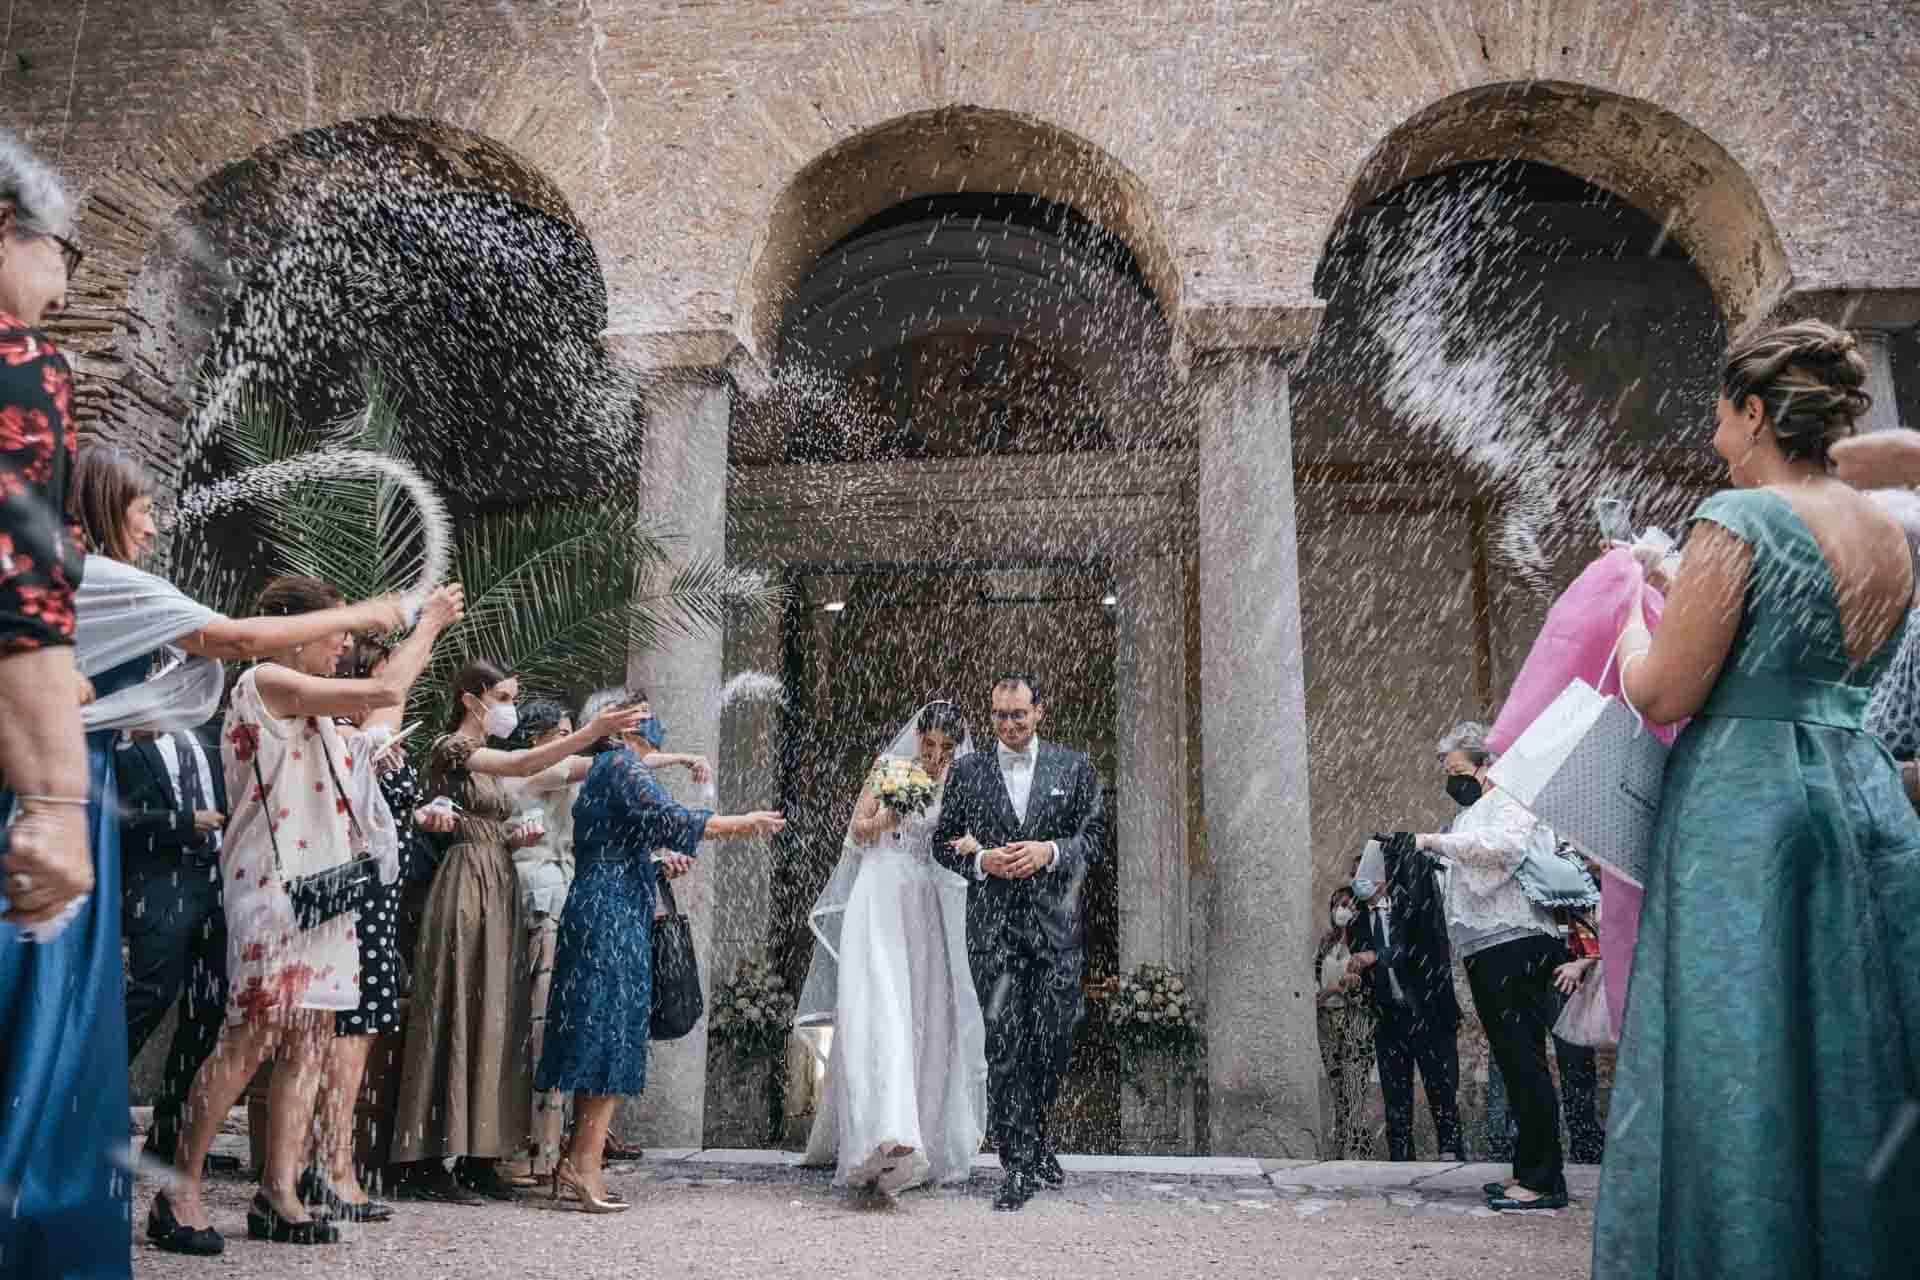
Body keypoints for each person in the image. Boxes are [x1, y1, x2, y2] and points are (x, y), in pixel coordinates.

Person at [1596, 320, 1920, 1279]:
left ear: (1754, 412)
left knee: (1738, 1051)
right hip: (1858, 788)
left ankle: (1742, 1250)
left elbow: (1665, 691)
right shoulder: (1887, 531)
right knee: (1851, 1047)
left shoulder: (1738, 517)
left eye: (1722, 416)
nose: (1713, 438)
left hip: (1747, 807)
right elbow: (1811, 639)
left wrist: (1628, 639)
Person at [156, 576, 462, 1253]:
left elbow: (382, 714)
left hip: (327, 892)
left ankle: (280, 1192)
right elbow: (382, 693)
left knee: (310, 1042)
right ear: (292, 629)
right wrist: (428, 626)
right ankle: (178, 1191)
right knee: (249, 1043)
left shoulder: (319, 713)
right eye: (337, 632)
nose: (346, 645)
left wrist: (425, 631)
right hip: (272, 893)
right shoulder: (263, 681)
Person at [388, 662, 650, 1204]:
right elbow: (527, 761)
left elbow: (520, 788)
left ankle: (482, 1154)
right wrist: (593, 731)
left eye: (512, 695)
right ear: (470, 699)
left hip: (500, 879)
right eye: (502, 696)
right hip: (463, 882)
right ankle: (430, 1159)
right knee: (456, 1006)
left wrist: (513, 831)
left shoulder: (492, 764)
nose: (509, 704)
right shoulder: (451, 748)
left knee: (498, 1017)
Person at [535, 686, 784, 1212]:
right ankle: (582, 1165)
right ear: (624, 727)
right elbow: (673, 820)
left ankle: (578, 1159)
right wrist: (745, 824)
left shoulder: (614, 765)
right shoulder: (623, 767)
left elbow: (622, 839)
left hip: (610, 900)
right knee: (608, 1032)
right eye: (645, 720)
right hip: (610, 912)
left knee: (606, 1030)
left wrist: (650, 864)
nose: (654, 730)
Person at [0, 128, 112, 1279]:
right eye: (59, 247)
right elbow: (21, 590)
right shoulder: (17, 364)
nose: (67, 279)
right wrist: (54, 798)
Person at [932, 673, 1106, 1212]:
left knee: (1051, 1042)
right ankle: (1018, 1163)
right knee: (1004, 1045)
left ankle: (1036, 1137)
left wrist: (1050, 852)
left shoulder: (1073, 767)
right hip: (993, 932)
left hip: (1056, 932)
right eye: (999, 716)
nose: (1008, 725)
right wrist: (982, 860)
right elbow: (941, 844)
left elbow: (1096, 837)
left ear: (1039, 713)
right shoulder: (966, 771)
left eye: (1018, 715)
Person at [299, 632, 457, 1224]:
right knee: (349, 1029)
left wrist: (421, 815)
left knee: (360, 1031)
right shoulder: (336, 734)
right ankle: (329, 1165)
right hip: (354, 897)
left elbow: (384, 811)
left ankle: (334, 1163)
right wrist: (432, 621)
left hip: (380, 897)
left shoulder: (371, 740)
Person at [798, 700, 987, 1194]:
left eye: (946, 748)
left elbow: (956, 842)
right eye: (929, 744)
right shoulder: (888, 768)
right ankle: (882, 1136)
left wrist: (972, 847)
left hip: (921, 902)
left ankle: (917, 1134)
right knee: (878, 1009)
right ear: (918, 737)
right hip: (878, 893)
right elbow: (857, 832)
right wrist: (889, 815)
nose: (936, 755)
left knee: (922, 1014)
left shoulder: (959, 783)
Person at [1397, 720, 1574, 1209]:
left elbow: (1505, 852)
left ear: (1485, 764)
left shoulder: (1513, 799)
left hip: (1515, 942)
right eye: (1447, 772)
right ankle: (1527, 1169)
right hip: (1485, 946)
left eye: (1458, 770)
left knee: (1524, 1059)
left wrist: (1436, 843)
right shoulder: (1473, 812)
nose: (1453, 780)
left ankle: (1543, 1181)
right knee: (1512, 1061)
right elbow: (1468, 872)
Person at [117, 720, 234, 1173]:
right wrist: (182, 822)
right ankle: (81, 1114)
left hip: (218, 885)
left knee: (209, 1010)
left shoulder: (211, 729)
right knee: (150, 997)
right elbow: (110, 815)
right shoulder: (123, 736)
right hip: (158, 887)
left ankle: (171, 1142)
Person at [1347, 827, 1463, 1164]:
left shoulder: (1410, 911)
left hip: (1425, 1012)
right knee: (1395, 1094)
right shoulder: (1357, 923)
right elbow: (1361, 960)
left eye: (1367, 875)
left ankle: (1450, 1151)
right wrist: (1359, 975)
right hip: (1388, 1017)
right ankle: (1400, 1157)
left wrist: (1377, 957)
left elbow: (1412, 949)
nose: (1362, 881)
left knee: (1440, 1088)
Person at [1313, 885, 1375, 1159]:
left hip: (1356, 1020)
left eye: (1348, 905)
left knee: (1355, 1088)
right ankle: (1341, 1149)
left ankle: (1358, 1152)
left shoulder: (1362, 943)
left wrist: (1346, 990)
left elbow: (1366, 987)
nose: (1342, 910)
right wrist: (1331, 991)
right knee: (1337, 1089)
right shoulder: (1326, 944)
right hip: (1326, 1020)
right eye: (1337, 904)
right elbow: (1317, 985)